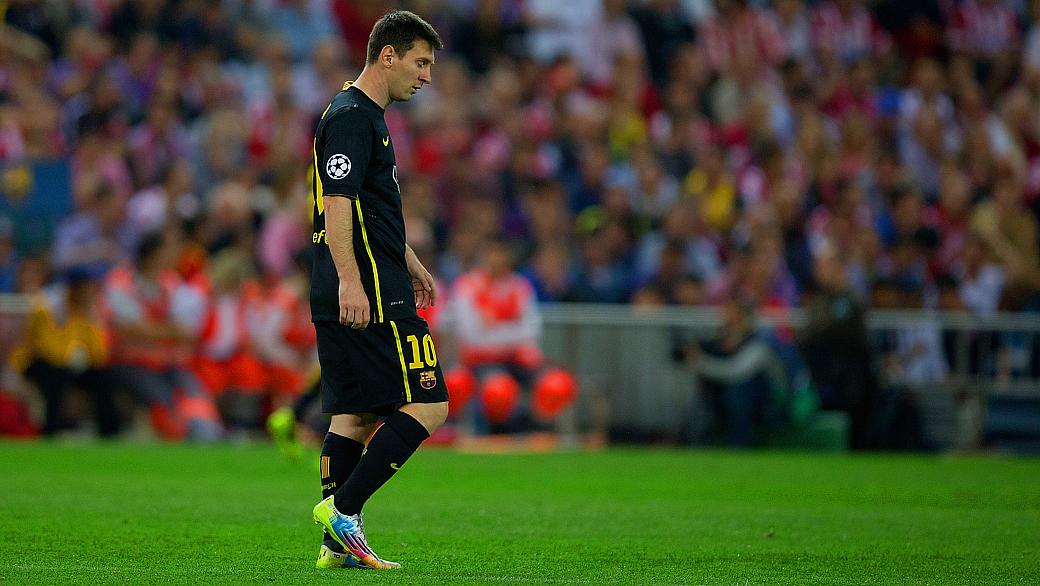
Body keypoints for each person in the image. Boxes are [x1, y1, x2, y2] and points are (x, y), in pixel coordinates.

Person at [308, 11, 448, 571]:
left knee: (355, 416)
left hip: (361, 280)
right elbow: (337, 205)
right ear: (386, 56)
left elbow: (368, 208)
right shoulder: (352, 118)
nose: (427, 76)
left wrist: (409, 259)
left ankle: (333, 548)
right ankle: (343, 511)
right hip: (368, 290)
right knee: (430, 404)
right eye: (421, 62)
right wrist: (352, 278)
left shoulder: (357, 115)